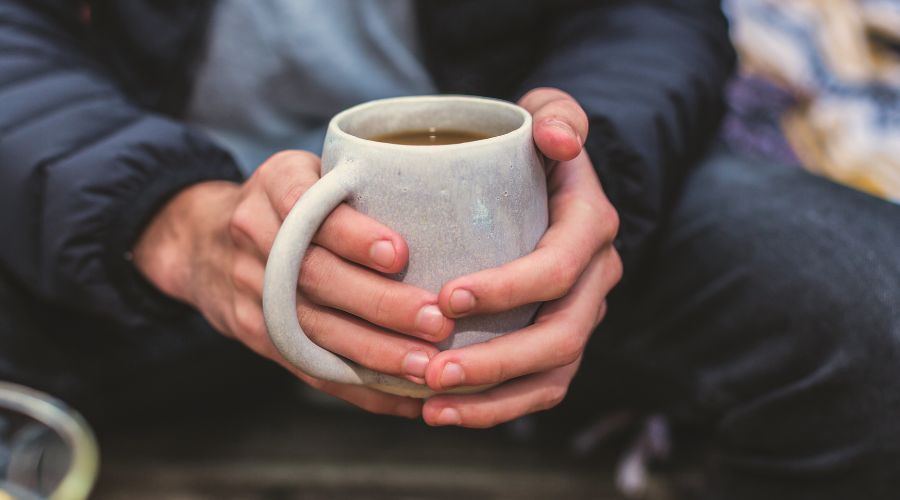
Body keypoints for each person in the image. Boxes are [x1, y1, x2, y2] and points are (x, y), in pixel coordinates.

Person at [0, 1, 896, 499]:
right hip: (118, 238)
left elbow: (652, 13)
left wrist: (595, 155)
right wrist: (164, 218)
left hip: (531, 232)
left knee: (869, 313)